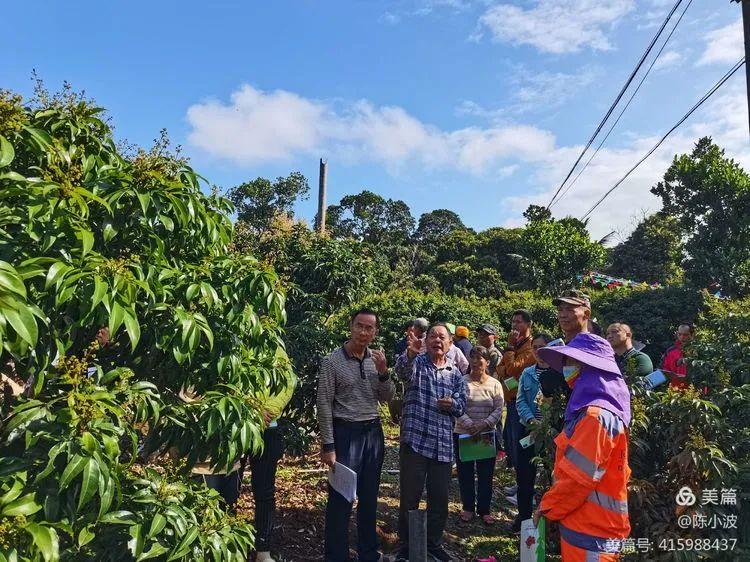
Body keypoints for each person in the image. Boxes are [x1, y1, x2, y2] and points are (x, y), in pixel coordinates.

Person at [534, 333, 632, 561]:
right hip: (590, 527)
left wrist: (547, 508)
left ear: (589, 368)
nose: (566, 369)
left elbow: (578, 478)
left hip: (592, 531)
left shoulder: (595, 417)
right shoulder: (598, 412)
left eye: (571, 363)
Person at [317, 309, 395, 562]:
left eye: (369, 328)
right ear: (350, 326)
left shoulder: (377, 359)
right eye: (359, 326)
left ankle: (368, 553)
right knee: (341, 498)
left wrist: (384, 372)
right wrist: (328, 444)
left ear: (375, 332)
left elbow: (387, 397)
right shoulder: (332, 361)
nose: (363, 332)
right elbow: (324, 404)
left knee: (370, 495)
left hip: (373, 432)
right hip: (346, 433)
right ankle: (336, 555)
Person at [395, 323, 467, 562]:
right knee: (409, 498)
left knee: (439, 500)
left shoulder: (455, 373)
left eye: (442, 337)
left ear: (450, 344)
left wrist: (452, 405)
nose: (437, 340)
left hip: (443, 445)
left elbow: (461, 405)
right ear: (425, 341)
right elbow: (401, 372)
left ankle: (433, 543)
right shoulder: (417, 363)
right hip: (416, 442)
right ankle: (405, 544)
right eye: (433, 336)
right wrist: (410, 353)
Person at [246, 365, 297, 562]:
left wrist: (268, 411)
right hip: (237, 425)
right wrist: (251, 411)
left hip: (268, 428)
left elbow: (288, 381)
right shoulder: (234, 340)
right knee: (229, 488)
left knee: (265, 492)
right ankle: (228, 542)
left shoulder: (274, 345)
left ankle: (263, 549)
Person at [453, 346, 504, 525]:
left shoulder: (495, 384)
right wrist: (469, 425)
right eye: (472, 358)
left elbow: (498, 409)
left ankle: (484, 509)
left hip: (486, 435)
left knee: (486, 473)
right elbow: (456, 406)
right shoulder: (461, 381)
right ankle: (467, 507)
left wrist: (483, 424)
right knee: (465, 473)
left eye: (479, 358)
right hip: (463, 434)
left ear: (487, 362)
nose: (475, 362)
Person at [512, 333, 556, 532]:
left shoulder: (559, 373)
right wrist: (532, 420)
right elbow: (520, 400)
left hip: (552, 432)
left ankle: (550, 519)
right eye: (534, 347)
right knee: (524, 475)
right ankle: (523, 517)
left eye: (542, 347)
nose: (537, 351)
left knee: (551, 475)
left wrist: (546, 424)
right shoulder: (528, 372)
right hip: (528, 429)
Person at [496, 310, 535, 493]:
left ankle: (526, 487)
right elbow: (500, 368)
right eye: (513, 322)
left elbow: (510, 369)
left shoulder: (530, 348)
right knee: (510, 442)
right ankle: (520, 483)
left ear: (528, 325)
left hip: (523, 404)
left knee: (520, 444)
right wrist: (509, 359)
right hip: (510, 401)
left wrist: (510, 349)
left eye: (518, 322)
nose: (514, 326)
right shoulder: (516, 347)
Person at [661, 323, 693, 390]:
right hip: (675, 389)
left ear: (692, 335)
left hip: (693, 389)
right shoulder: (670, 351)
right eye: (680, 334)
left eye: (685, 335)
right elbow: (664, 370)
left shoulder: (698, 351)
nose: (682, 337)